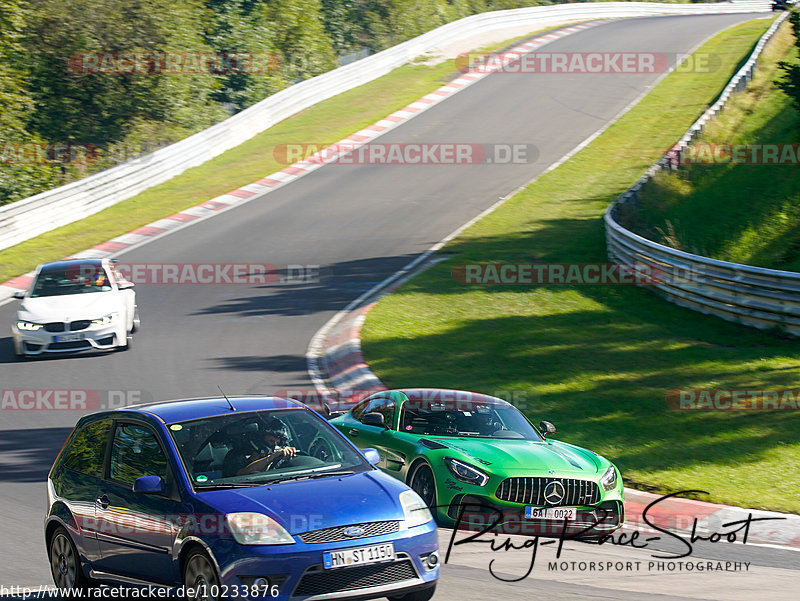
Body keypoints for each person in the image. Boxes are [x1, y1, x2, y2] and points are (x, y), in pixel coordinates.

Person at [223, 418, 297, 477]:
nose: (275, 445)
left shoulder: (279, 455)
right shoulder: (236, 455)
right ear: (259, 439)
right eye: (271, 441)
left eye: (277, 443)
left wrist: (287, 454)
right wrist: (271, 458)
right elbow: (242, 474)